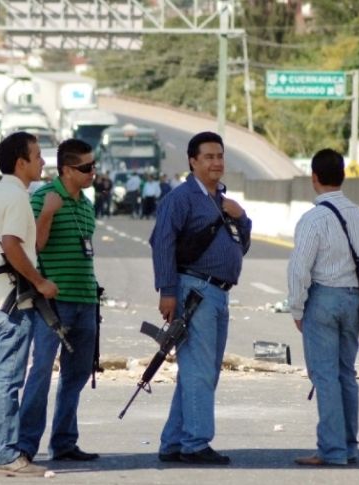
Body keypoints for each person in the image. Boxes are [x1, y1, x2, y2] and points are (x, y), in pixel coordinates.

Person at [149, 131, 252, 465]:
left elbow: (242, 245)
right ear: (192, 161)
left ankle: (174, 442)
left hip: (218, 293)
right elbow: (162, 242)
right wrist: (167, 291)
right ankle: (195, 444)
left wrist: (242, 217)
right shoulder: (181, 199)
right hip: (193, 290)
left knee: (200, 370)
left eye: (220, 156)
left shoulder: (222, 199)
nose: (216, 162)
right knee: (199, 372)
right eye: (208, 157)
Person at [0, 131, 57, 477]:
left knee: (0, 377)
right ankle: (5, 455)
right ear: (20, 162)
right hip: (11, 303)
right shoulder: (16, 196)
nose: (42, 162)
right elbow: (11, 244)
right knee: (6, 379)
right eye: (37, 156)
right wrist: (38, 281)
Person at [287, 148, 359, 466]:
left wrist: (297, 309)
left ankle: (332, 450)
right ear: (343, 176)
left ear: (314, 178)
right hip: (353, 299)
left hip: (323, 299)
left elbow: (299, 269)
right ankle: (349, 447)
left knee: (324, 377)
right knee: (346, 374)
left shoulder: (313, 219)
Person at [18, 139, 100, 463]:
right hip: (55, 303)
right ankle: (25, 446)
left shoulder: (86, 204)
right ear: (65, 169)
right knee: (40, 372)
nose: (92, 172)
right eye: (85, 168)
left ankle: (64, 441)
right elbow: (34, 246)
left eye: (93, 165)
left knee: (76, 375)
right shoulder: (43, 199)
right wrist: (48, 214)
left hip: (85, 299)